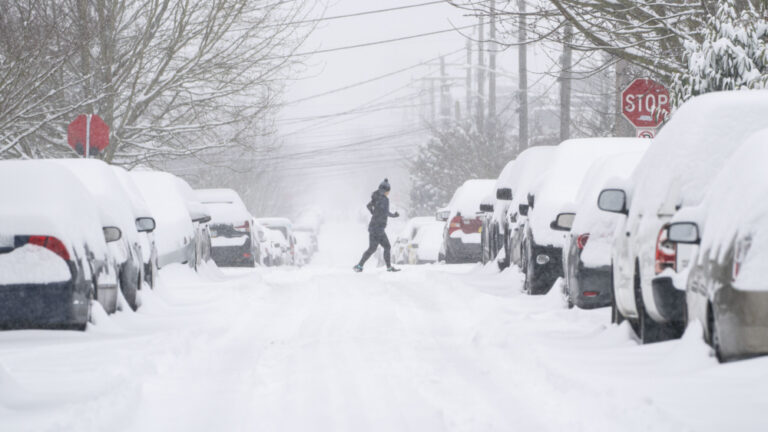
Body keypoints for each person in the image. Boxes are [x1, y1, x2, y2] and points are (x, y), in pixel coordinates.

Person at [354, 178, 400, 272]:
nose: (388, 193)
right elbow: (385, 212)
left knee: (372, 249)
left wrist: (373, 212)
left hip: (373, 226)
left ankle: (359, 266)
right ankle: (389, 267)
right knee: (387, 247)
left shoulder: (376, 196)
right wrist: (394, 215)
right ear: (386, 190)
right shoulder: (385, 199)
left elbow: (369, 206)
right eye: (388, 191)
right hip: (379, 228)